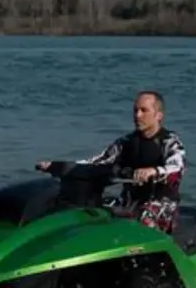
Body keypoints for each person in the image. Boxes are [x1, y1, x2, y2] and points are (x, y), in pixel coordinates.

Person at [36, 90, 185, 234]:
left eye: (143, 110)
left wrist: (154, 171)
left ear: (158, 115)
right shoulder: (126, 142)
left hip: (160, 206)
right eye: (135, 110)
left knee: (143, 222)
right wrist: (56, 166)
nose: (137, 115)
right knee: (95, 216)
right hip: (129, 202)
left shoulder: (170, 142)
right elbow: (97, 161)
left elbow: (177, 167)